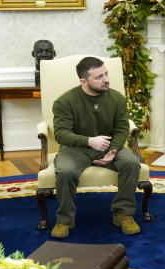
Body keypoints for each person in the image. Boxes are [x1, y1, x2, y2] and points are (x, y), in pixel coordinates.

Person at [51, 57, 141, 238]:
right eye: (98, 77)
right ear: (83, 81)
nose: (106, 79)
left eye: (106, 73)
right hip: (75, 149)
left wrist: (113, 150)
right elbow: (61, 134)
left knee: (131, 162)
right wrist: (89, 141)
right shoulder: (65, 102)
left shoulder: (117, 98)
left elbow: (122, 128)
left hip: (108, 146)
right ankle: (65, 220)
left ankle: (123, 213)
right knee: (65, 171)